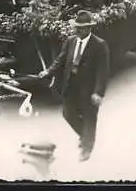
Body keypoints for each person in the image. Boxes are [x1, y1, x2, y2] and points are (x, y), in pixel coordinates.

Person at [38, 10, 110, 161]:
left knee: (90, 117)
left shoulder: (100, 45)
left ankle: (87, 148)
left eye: (80, 28)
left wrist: (98, 92)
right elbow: (61, 60)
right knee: (68, 114)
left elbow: (103, 72)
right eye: (76, 27)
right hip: (71, 85)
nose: (76, 30)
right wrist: (48, 72)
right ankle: (86, 137)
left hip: (89, 89)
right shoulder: (71, 41)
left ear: (89, 28)